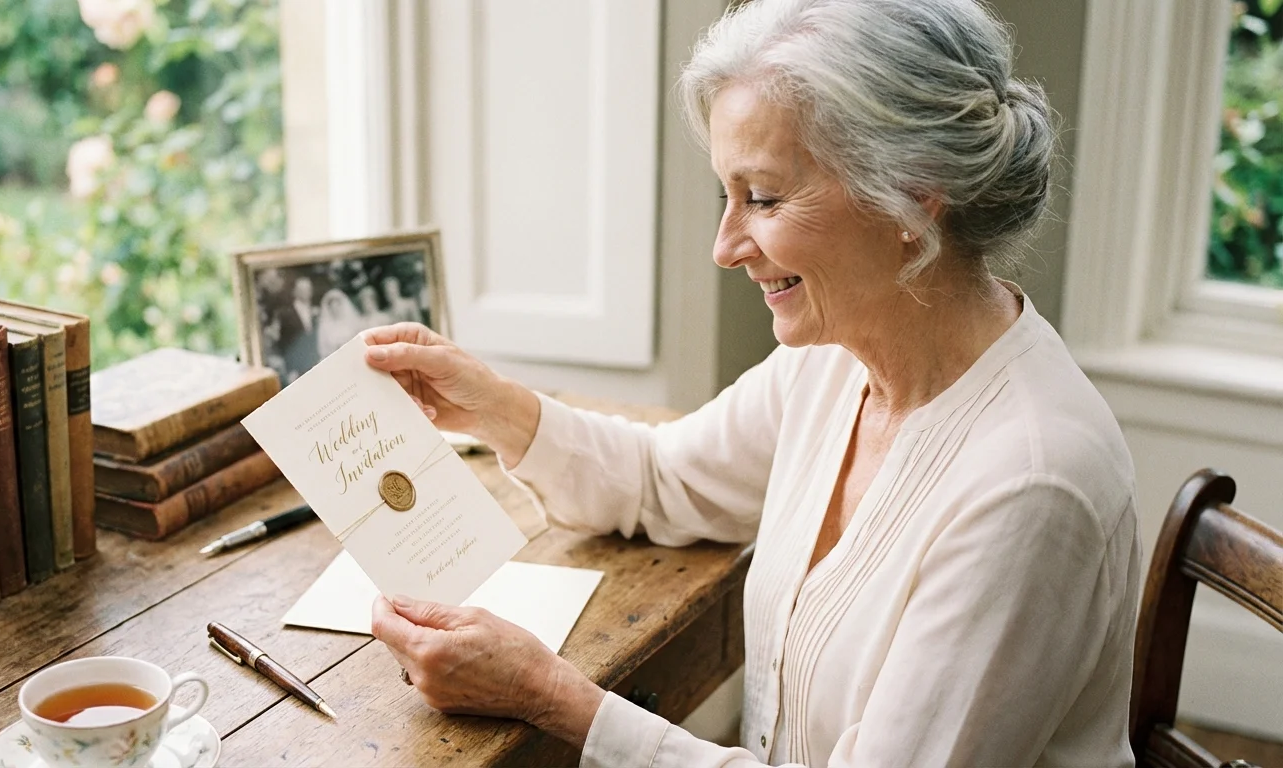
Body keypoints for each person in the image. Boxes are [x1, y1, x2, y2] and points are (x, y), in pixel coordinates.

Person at [364, 0, 1140, 765]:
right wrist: (490, 406)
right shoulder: (835, 359)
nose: (725, 246)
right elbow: (663, 480)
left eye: (763, 198)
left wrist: (550, 695)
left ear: (912, 196)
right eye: (727, 197)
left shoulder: (1032, 485)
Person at [316, 288, 362, 359]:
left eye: (337, 306)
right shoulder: (325, 328)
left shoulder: (352, 322)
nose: (335, 309)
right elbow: (323, 351)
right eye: (332, 307)